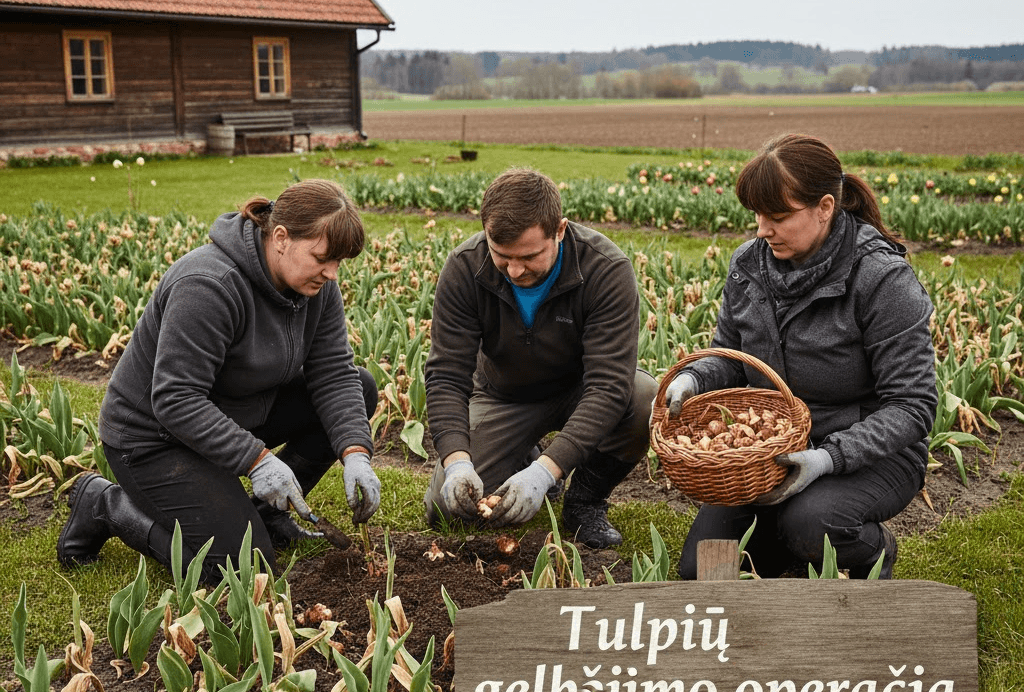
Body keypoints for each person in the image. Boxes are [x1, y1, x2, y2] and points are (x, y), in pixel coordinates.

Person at [58, 178, 381, 582]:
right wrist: (258, 460)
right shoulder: (208, 285)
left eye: (339, 262)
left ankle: (268, 516)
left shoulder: (313, 287)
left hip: (232, 410)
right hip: (153, 438)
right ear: (280, 237)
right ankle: (105, 504)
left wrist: (355, 454)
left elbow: (333, 371)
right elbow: (175, 398)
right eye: (321, 257)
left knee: (360, 385)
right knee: (243, 571)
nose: (331, 273)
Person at [667, 134, 937, 580]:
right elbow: (734, 359)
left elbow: (913, 406)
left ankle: (874, 553)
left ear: (825, 207)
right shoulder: (748, 267)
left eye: (777, 217)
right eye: (756, 216)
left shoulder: (881, 279)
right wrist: (693, 379)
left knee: (812, 525)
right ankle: (791, 553)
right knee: (702, 568)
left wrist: (827, 458)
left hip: (869, 452)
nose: (761, 230)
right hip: (771, 451)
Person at [423, 166, 658, 548]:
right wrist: (457, 461)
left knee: (643, 396)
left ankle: (584, 500)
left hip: (580, 391)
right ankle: (522, 457)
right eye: (502, 256)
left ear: (560, 230)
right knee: (447, 510)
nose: (515, 270)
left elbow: (607, 387)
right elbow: (446, 375)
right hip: (504, 395)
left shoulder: (605, 269)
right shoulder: (465, 267)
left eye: (529, 257)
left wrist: (546, 472)